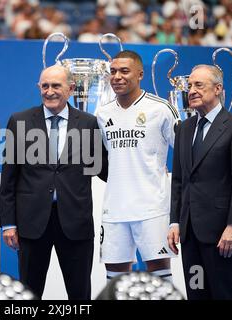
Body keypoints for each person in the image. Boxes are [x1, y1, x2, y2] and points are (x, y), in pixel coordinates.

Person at [0, 65, 106, 300]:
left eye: (56, 86)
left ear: (70, 89)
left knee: (80, 295)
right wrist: (8, 223)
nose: (49, 91)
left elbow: (104, 169)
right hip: (31, 224)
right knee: (28, 294)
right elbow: (9, 178)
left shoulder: (89, 123)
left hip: (76, 223)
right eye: (44, 86)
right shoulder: (20, 121)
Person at [168, 65, 232, 300]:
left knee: (224, 295)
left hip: (221, 234)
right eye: (189, 86)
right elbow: (179, 180)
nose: (192, 91)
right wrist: (175, 222)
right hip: (189, 234)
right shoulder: (184, 129)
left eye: (199, 85)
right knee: (196, 294)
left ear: (218, 89)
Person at [95, 50, 177, 282]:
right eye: (112, 71)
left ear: (140, 74)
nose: (117, 77)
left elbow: (184, 153)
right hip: (115, 209)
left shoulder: (161, 109)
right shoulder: (102, 113)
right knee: (115, 277)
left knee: (160, 274)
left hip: (152, 207)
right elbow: (101, 159)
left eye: (124, 71)